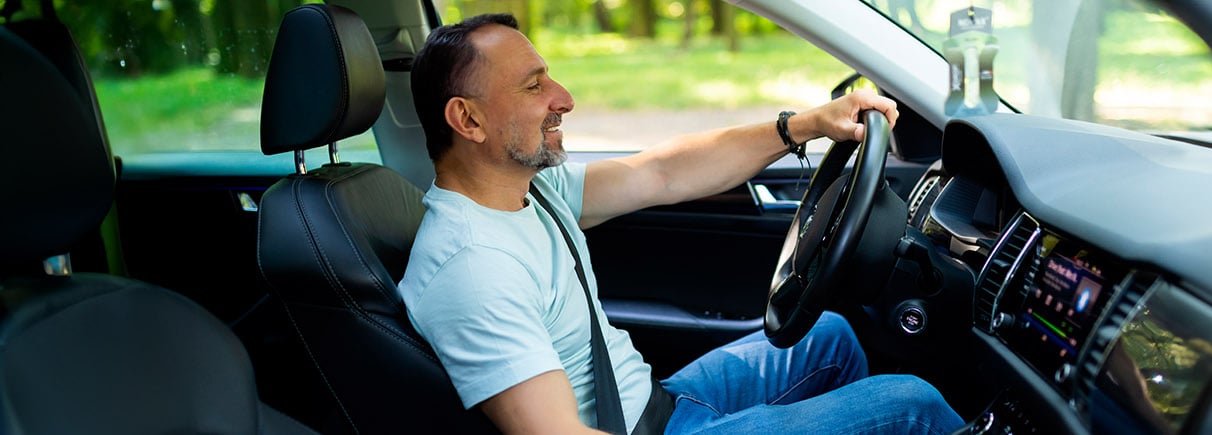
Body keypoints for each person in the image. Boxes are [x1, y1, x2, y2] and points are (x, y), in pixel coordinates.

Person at [398, 13, 964, 435]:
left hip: (656, 403)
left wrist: (807, 125)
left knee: (831, 339)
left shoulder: (530, 192)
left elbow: (664, 172)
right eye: (533, 85)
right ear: (467, 119)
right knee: (908, 403)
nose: (564, 98)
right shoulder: (471, 268)